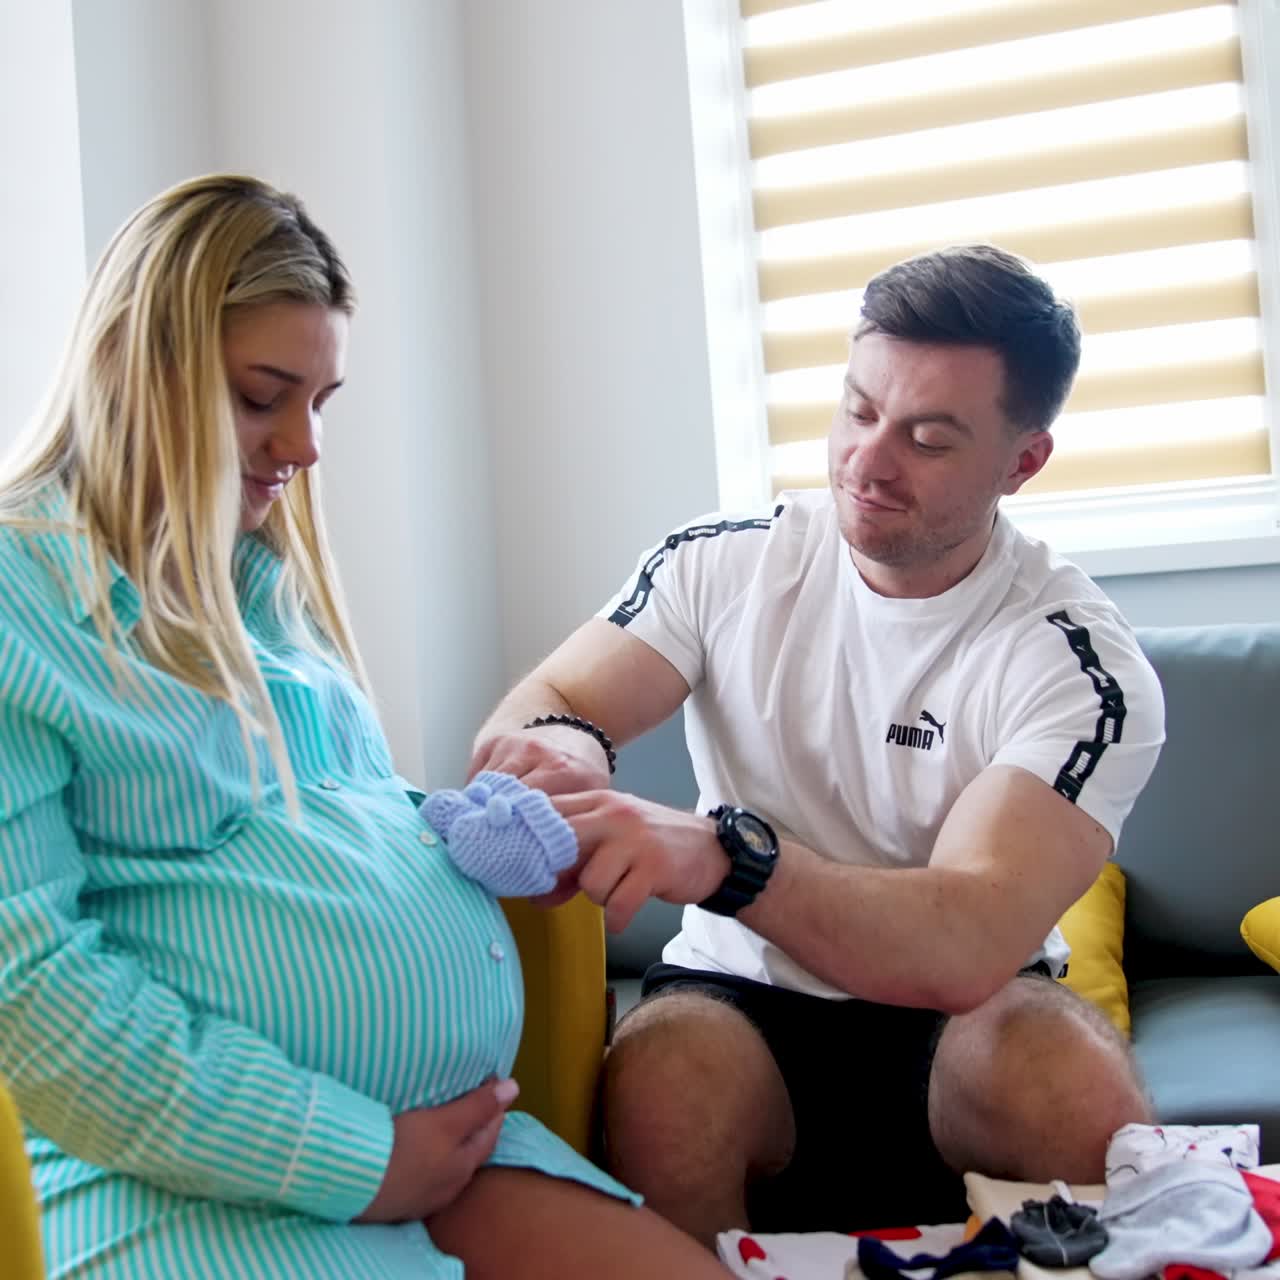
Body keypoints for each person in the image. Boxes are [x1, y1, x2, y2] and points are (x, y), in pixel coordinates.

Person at [0, 174, 733, 1278]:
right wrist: (352, 1154)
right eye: (262, 395)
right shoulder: (18, 597)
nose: (303, 445)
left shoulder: (259, 585)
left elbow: (307, 827)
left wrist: (462, 844)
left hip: (438, 1154)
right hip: (185, 1178)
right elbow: (38, 994)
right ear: (132, 368)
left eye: (320, 401)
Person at [472, 245, 1166, 1243]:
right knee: (663, 1084)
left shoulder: (1077, 664)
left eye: (926, 438)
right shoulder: (719, 563)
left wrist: (727, 854)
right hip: (738, 1003)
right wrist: (565, 752)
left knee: (1069, 1082)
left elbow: (966, 935)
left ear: (1020, 461)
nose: (866, 461)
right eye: (856, 409)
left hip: (968, 1018)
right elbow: (553, 700)